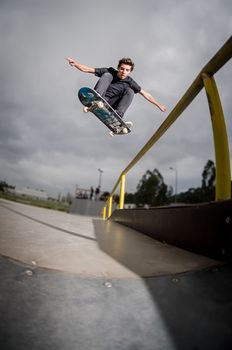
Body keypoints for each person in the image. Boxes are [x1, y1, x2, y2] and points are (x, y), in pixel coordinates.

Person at [66, 57, 167, 119]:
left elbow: (146, 95)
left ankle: (118, 114)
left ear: (130, 71)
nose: (123, 72)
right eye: (122, 69)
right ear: (118, 68)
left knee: (130, 90)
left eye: (127, 70)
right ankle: (96, 98)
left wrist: (159, 105)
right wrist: (76, 64)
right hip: (101, 96)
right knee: (107, 75)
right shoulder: (110, 71)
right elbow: (88, 69)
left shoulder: (130, 82)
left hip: (109, 105)